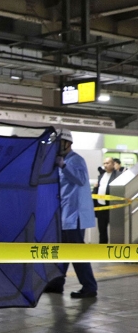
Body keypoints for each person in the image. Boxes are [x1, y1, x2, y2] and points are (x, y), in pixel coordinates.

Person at [45, 128, 97, 298]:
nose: (57, 147)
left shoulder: (75, 160)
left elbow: (80, 180)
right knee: (63, 250)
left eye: (59, 143)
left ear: (67, 143)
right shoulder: (61, 161)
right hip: (65, 215)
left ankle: (89, 286)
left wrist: (64, 165)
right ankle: (57, 283)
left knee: (76, 251)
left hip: (75, 216)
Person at [93, 157, 119, 244]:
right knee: (102, 230)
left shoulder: (118, 176)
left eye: (107, 163)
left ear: (113, 164)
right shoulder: (101, 176)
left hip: (112, 207)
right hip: (101, 207)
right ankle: (102, 249)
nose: (105, 165)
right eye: (104, 163)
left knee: (115, 230)